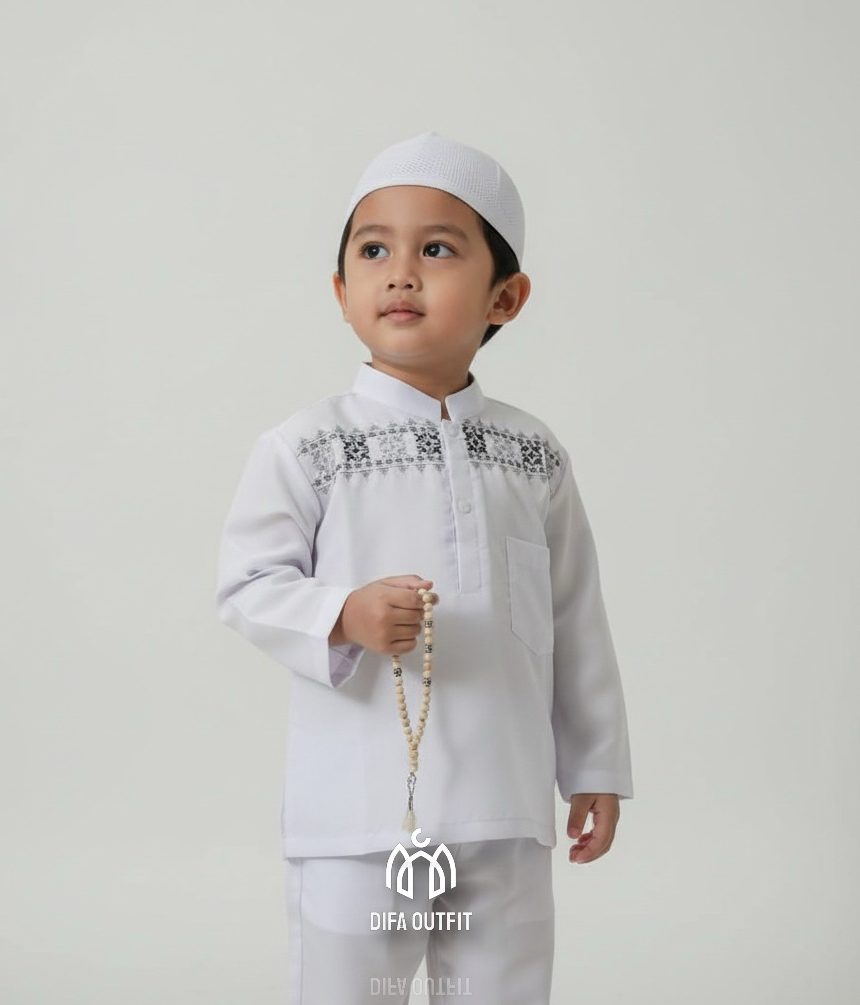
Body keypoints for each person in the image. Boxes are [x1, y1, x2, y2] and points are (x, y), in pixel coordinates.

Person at [215, 131, 634, 1005]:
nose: (401, 274)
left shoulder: (532, 454)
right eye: (374, 251)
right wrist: (343, 614)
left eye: (437, 250)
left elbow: (573, 616)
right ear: (341, 292)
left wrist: (594, 764)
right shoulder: (308, 445)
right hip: (358, 816)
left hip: (505, 810)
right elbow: (248, 585)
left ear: (505, 297)